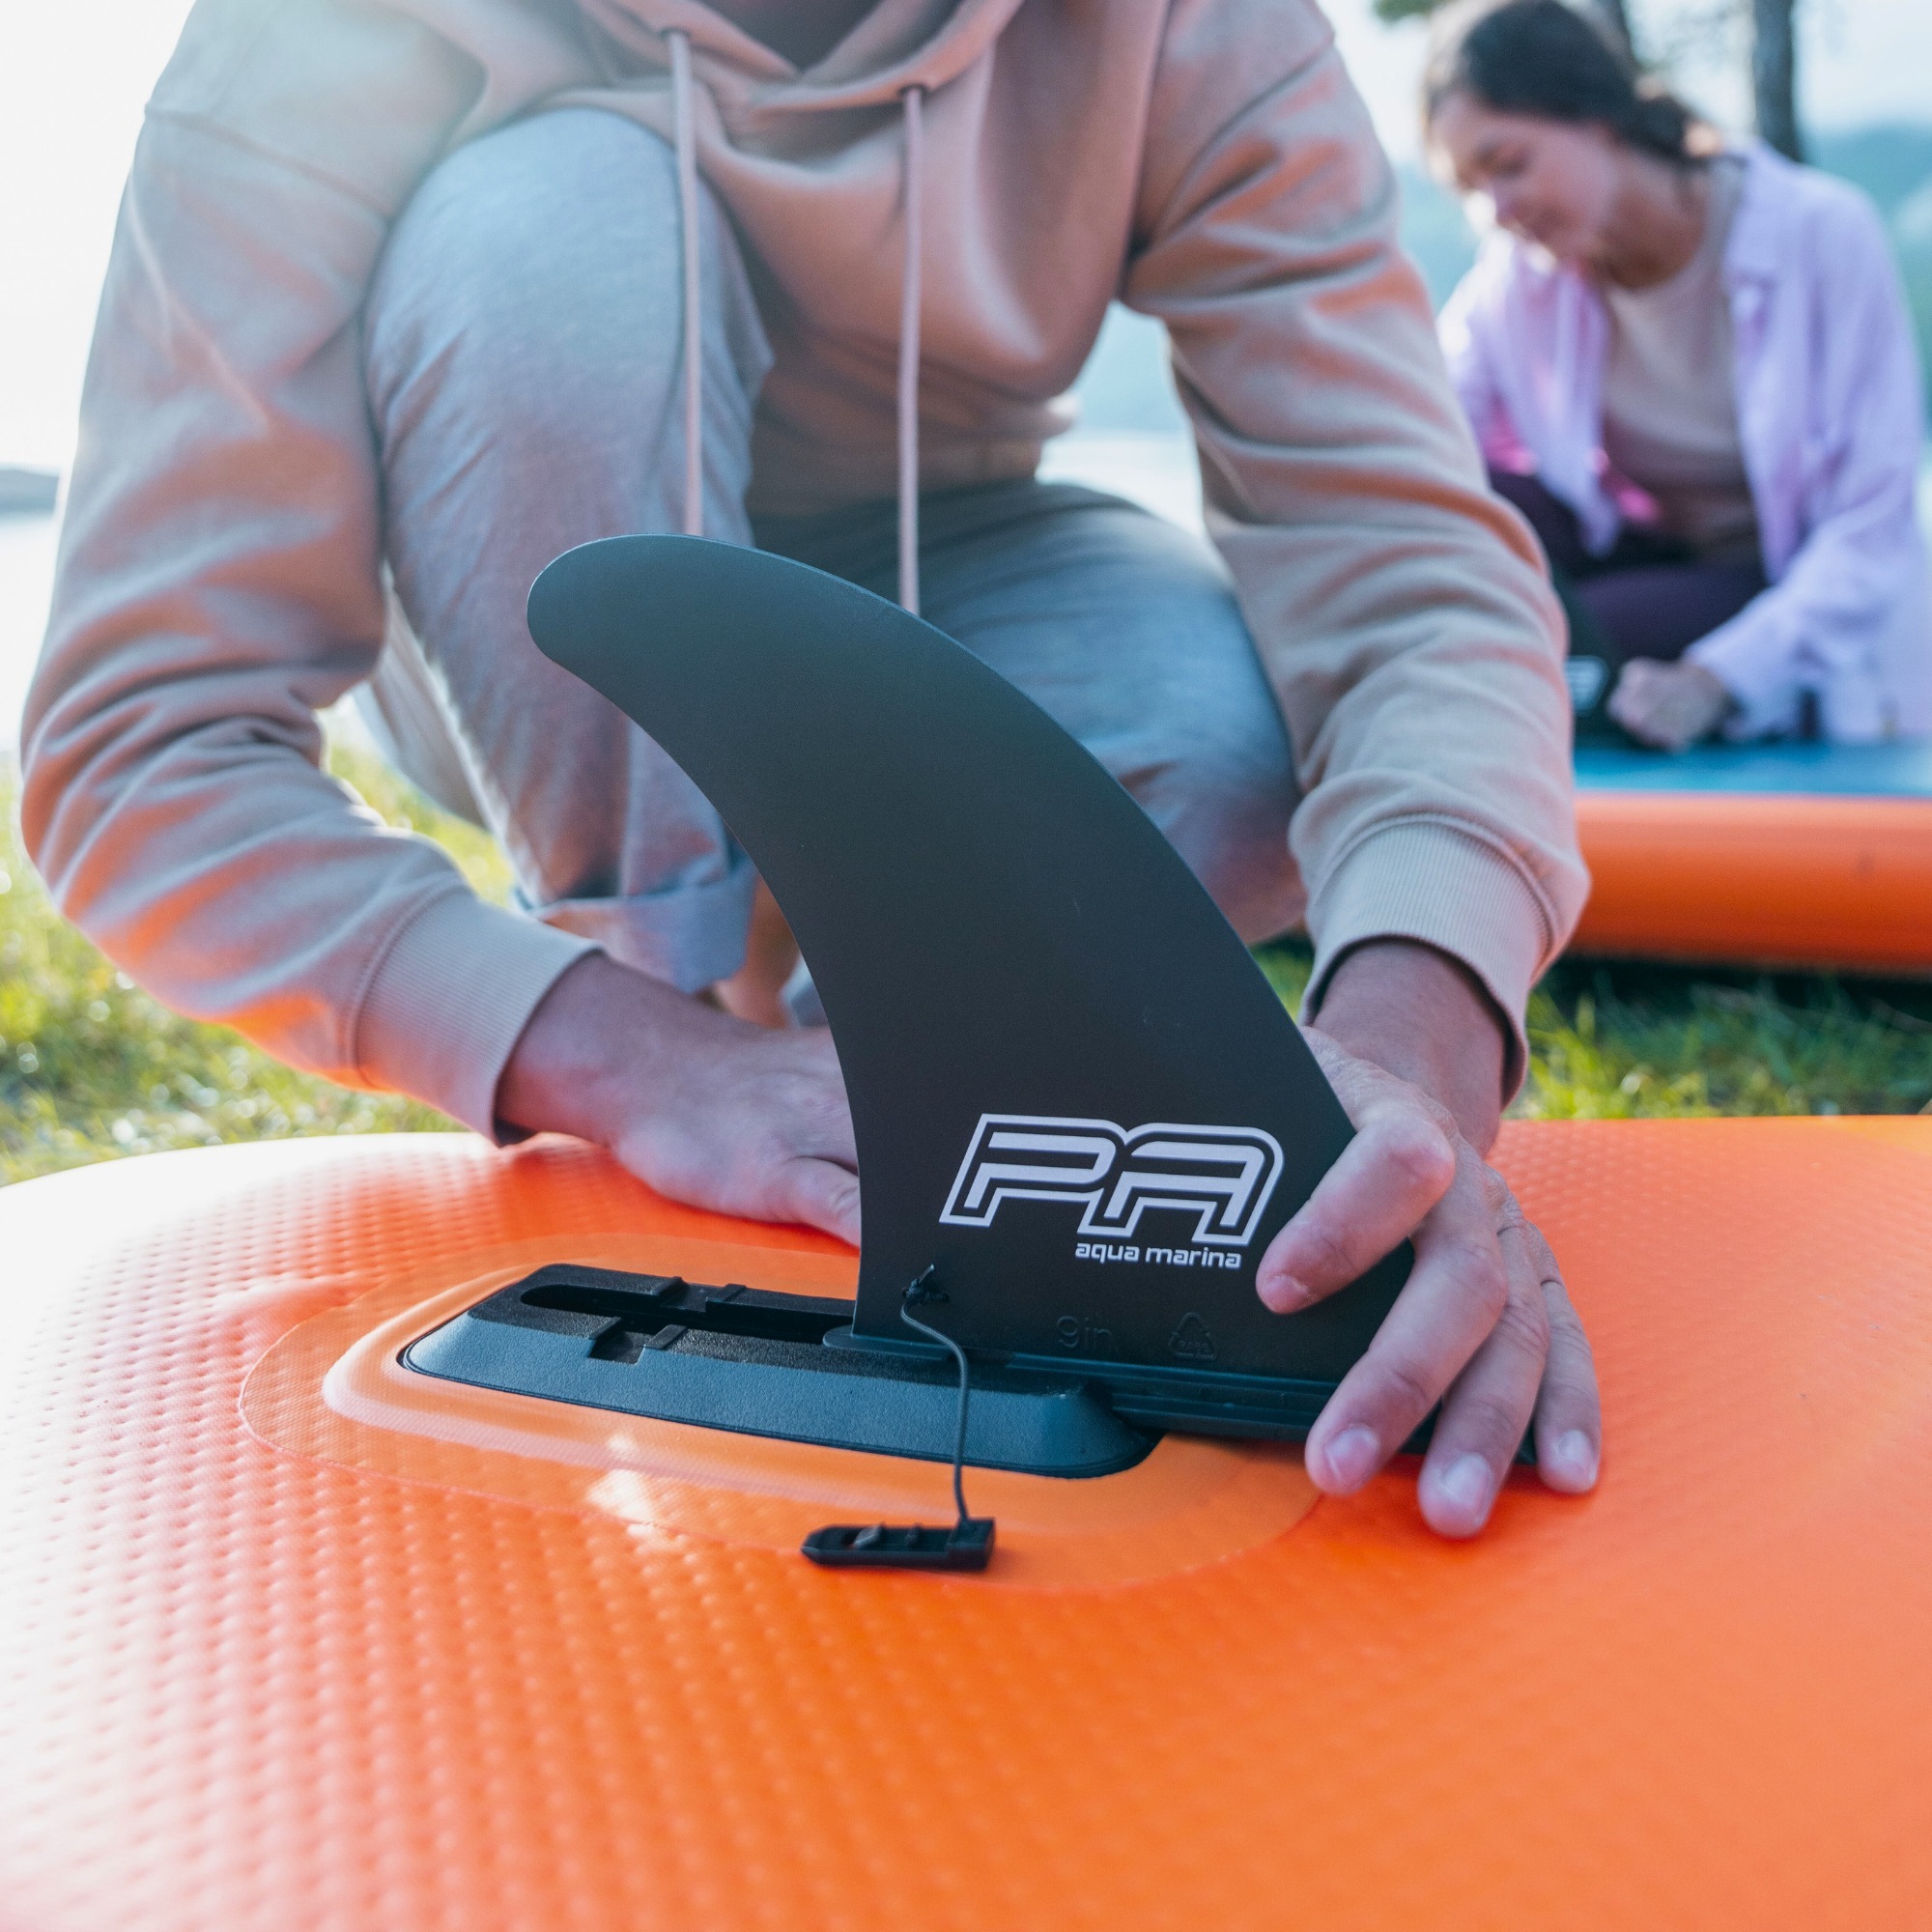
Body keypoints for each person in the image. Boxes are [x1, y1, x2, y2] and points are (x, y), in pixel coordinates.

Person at [23, 0, 1600, 1536]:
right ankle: (683, 1010)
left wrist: (1410, 1050)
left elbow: (1409, 570)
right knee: (550, 228)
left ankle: (856, 1076)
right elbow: (139, 742)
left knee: (1226, 745)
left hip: (949, 572)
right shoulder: (311, 32)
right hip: (522, 606)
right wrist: (634, 1059)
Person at [1428, 0, 1932, 751]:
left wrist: (1713, 680)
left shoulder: (1823, 235)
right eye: (1470, 187)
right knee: (1454, 495)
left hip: (1778, 585)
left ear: (1596, 116)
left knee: (1580, 630)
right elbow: (1430, 430)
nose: (1495, 209)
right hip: (1646, 549)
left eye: (1509, 165)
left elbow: (1872, 528)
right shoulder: (1518, 277)